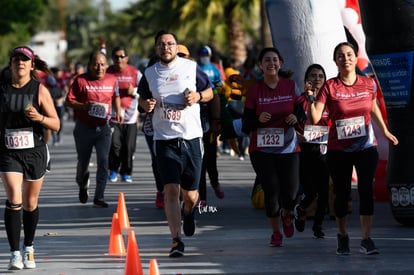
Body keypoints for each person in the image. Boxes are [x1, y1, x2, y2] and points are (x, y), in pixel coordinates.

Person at [307, 42, 398, 255]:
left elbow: (373, 106)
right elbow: (315, 117)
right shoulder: (329, 86)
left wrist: (385, 131)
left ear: (355, 58)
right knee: (342, 194)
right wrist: (312, 97)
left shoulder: (368, 84)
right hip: (339, 149)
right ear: (335, 60)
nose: (345, 58)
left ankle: (366, 239)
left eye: (349, 54)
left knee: (366, 190)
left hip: (366, 146)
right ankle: (342, 234)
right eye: (340, 55)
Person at [138, 30, 213, 257]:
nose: (166, 47)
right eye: (161, 44)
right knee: (171, 190)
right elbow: (141, 98)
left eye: (170, 44)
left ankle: (188, 211)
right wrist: (146, 105)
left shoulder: (190, 68)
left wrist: (198, 97)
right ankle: (175, 240)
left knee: (190, 195)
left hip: (190, 138)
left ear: (176, 46)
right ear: (156, 49)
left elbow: (210, 91)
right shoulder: (150, 73)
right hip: (165, 140)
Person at [0, 46, 60, 270]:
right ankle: (14, 254)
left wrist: (40, 117)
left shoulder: (39, 90)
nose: (20, 63)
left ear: (32, 65)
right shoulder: (2, 89)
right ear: (11, 64)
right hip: (8, 150)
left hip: (34, 150)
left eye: (25, 60)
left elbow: (56, 123)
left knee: (30, 202)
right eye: (16, 59)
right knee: (14, 197)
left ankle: (29, 248)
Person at [242, 47, 301, 247]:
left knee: (291, 193)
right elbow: (246, 124)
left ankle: (288, 213)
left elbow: (302, 112)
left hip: (288, 148)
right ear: (260, 65)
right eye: (266, 60)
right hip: (262, 150)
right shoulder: (254, 91)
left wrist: (296, 117)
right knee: (271, 190)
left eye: (275, 60)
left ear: (280, 63)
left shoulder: (291, 86)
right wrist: (257, 119)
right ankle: (276, 232)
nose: (271, 63)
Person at [66, 51, 121, 208]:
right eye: (96, 64)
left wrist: (118, 112)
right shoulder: (80, 80)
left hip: (103, 128)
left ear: (107, 65)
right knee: (83, 162)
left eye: (103, 64)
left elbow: (116, 96)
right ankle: (83, 185)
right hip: (84, 128)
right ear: (89, 65)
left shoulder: (112, 79)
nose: (99, 67)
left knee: (103, 161)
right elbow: (68, 101)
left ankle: (99, 196)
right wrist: (83, 106)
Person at [294, 64, 330, 239]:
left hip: (324, 148)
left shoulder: (329, 100)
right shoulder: (299, 100)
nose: (317, 79)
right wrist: (296, 134)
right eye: (313, 76)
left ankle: (318, 226)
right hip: (304, 148)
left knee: (324, 191)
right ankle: (301, 209)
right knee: (311, 191)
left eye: (320, 76)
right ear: (306, 80)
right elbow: (289, 122)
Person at [107, 46, 142, 183]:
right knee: (115, 145)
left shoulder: (135, 73)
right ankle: (113, 169)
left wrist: (134, 91)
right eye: (116, 57)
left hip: (131, 116)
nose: (119, 59)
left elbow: (147, 91)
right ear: (112, 58)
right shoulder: (107, 72)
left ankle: (126, 172)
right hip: (112, 116)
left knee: (128, 147)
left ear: (127, 58)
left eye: (122, 56)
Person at [197, 45, 225, 207]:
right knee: (198, 160)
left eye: (205, 54)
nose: (203, 56)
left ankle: (215, 183)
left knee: (210, 158)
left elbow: (218, 90)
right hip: (192, 121)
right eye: (201, 54)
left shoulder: (214, 69)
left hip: (208, 120)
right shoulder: (195, 69)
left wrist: (217, 119)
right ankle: (201, 196)